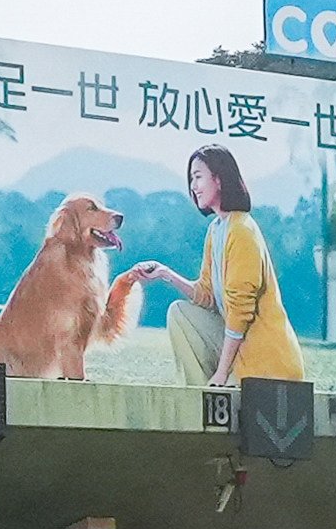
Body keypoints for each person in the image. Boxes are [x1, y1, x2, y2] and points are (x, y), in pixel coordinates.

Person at [118, 145, 305, 389]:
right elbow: (206, 296)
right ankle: (202, 397)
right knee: (179, 312)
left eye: (198, 177)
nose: (193, 187)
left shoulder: (242, 231)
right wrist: (166, 274)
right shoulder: (217, 229)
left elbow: (240, 314)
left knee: (220, 373)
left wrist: (221, 373)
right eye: (191, 179)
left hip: (268, 364)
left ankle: (213, 392)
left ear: (218, 179)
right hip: (242, 353)